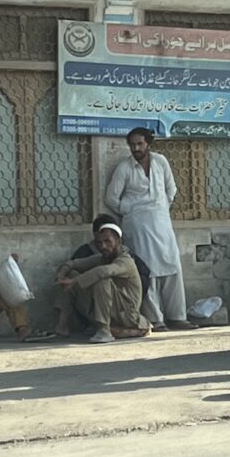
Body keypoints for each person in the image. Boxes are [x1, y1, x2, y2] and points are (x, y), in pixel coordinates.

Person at [105, 127, 195, 332]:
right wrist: (129, 210)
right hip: (138, 226)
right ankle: (156, 319)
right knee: (149, 270)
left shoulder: (160, 162)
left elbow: (171, 189)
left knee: (172, 267)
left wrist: (161, 206)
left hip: (162, 222)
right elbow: (111, 198)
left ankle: (177, 317)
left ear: (148, 144)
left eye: (140, 144)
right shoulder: (124, 168)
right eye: (132, 145)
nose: (136, 148)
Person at [54, 223, 151, 344]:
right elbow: (73, 263)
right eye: (99, 243)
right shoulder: (103, 257)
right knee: (70, 275)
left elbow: (105, 271)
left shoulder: (126, 261)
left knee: (101, 280)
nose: (103, 246)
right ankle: (62, 326)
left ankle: (104, 330)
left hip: (126, 315)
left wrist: (75, 282)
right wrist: (61, 276)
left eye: (107, 241)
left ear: (118, 241)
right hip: (107, 311)